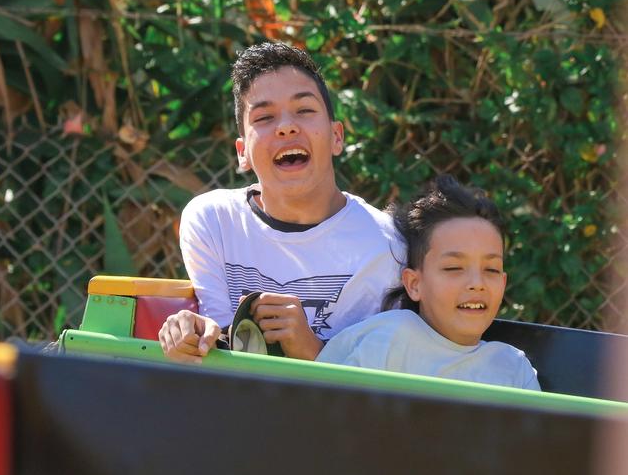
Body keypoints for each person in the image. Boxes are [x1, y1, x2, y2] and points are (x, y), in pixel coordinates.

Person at [159, 42, 403, 362]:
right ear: (242, 152)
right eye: (264, 117)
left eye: (304, 110)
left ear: (337, 136)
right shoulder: (212, 220)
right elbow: (219, 337)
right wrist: (190, 334)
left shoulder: (388, 244)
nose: (287, 127)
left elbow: (390, 377)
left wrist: (312, 350)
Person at [316, 175, 541, 390]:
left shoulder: (514, 369)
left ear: (503, 283)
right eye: (454, 268)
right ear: (414, 284)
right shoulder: (387, 341)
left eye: (491, 269)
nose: (477, 283)